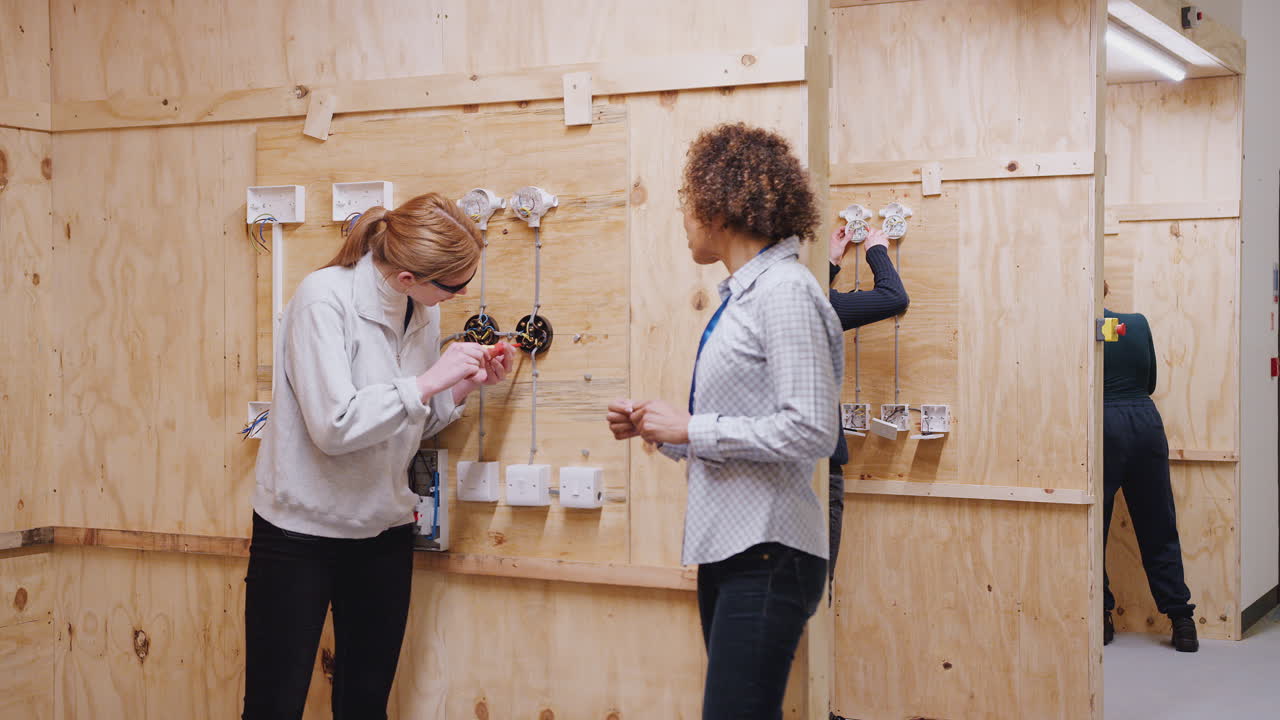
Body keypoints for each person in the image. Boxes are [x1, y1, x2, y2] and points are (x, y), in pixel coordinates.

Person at [243, 193, 515, 719]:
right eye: (454, 288)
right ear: (408, 277)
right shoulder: (324, 299)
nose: (458, 298)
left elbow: (408, 421)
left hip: (381, 532)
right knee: (273, 707)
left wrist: (459, 388)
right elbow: (335, 425)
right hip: (300, 533)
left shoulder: (420, 309)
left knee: (366, 706)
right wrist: (430, 379)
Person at [606, 123, 842, 720]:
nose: (684, 220)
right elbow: (743, 426)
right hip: (735, 551)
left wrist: (692, 429)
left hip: (770, 552)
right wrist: (662, 430)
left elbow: (812, 430)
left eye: (688, 205)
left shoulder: (785, 291)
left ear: (720, 207)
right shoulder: (748, 294)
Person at [1101, 284, 1198, 652]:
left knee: (1094, 529)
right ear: (1108, 289)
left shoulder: (1082, 328)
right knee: (1159, 525)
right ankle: (1182, 620)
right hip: (1145, 421)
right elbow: (1151, 382)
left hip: (1104, 423)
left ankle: (1101, 618)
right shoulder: (1136, 324)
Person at [825, 223, 909, 581]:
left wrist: (829, 262)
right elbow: (894, 298)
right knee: (814, 589)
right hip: (821, 462)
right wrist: (877, 249)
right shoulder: (820, 304)